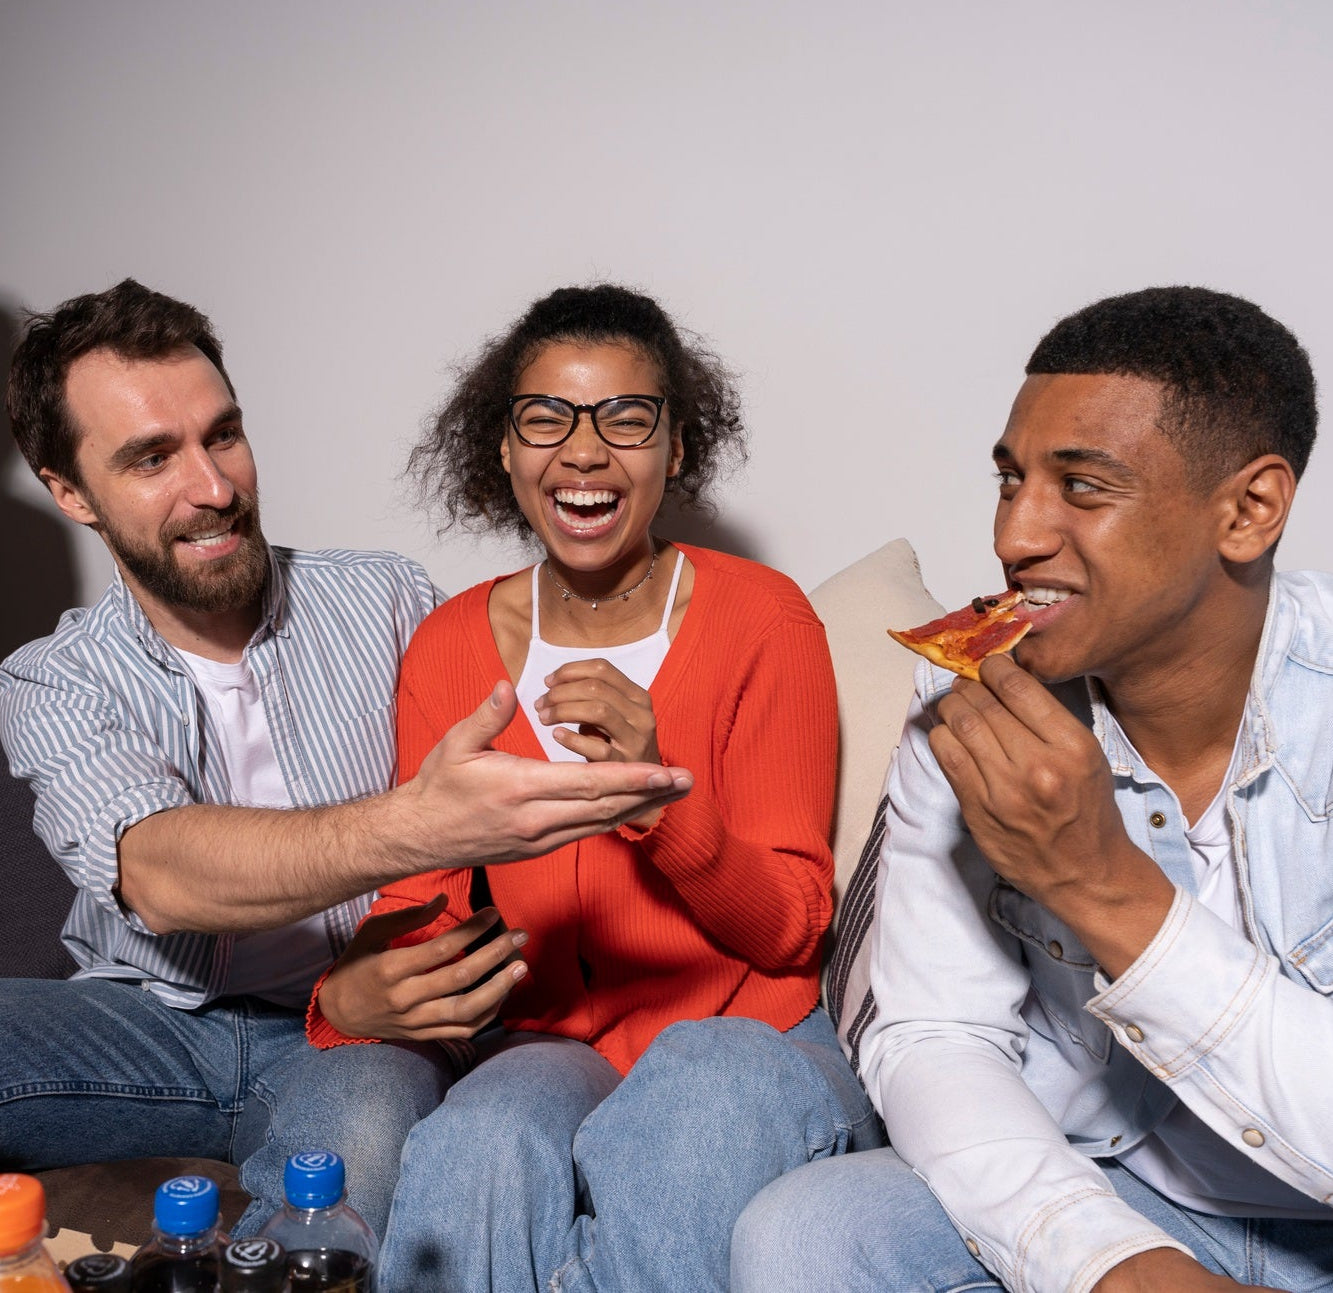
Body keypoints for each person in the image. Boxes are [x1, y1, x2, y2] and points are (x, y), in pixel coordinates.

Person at [0, 279, 691, 1239]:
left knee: (355, 1135)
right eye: (153, 457)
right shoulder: (52, 679)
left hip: (364, 1025)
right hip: (147, 1024)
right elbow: (156, 874)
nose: (213, 486)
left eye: (223, 435)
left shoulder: (391, 602)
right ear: (70, 490)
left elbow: (530, 819)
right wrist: (411, 824)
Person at [731, 286, 1333, 1292]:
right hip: (1127, 1191)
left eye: (1082, 487)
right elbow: (932, 1031)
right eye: (1010, 482)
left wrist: (1101, 883)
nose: (1016, 536)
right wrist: (1110, 1260)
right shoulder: (968, 697)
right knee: (805, 1235)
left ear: (1248, 508)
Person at [309, 284, 880, 1291]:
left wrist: (658, 803)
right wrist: (349, 993)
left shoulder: (764, 619)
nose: (583, 451)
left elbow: (793, 927)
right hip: (553, 1036)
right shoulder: (448, 647)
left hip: (741, 1034)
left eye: (626, 417)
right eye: (546, 418)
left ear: (676, 449)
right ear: (504, 448)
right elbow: (421, 910)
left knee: (687, 1125)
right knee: (480, 1137)